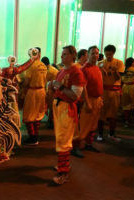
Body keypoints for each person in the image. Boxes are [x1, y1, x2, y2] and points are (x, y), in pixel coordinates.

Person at [49, 45, 86, 185]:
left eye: (65, 54)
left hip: (67, 109)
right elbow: (58, 89)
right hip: (59, 107)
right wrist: (53, 87)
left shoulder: (76, 72)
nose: (62, 56)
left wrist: (60, 87)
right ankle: (63, 165)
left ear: (72, 55)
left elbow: (75, 96)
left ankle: (63, 173)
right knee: (60, 139)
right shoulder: (63, 70)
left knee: (64, 141)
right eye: (62, 54)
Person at [71, 46, 103, 158]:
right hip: (88, 100)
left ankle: (89, 143)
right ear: (87, 55)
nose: (95, 55)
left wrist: (100, 98)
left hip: (97, 99)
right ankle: (75, 147)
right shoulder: (84, 69)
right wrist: (87, 102)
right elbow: (83, 87)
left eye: (97, 53)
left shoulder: (97, 67)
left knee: (93, 124)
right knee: (83, 125)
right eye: (93, 53)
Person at [97, 45, 125, 141]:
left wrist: (114, 71)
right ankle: (100, 134)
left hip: (114, 91)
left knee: (113, 113)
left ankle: (111, 134)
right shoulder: (100, 63)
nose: (108, 56)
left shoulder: (119, 63)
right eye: (106, 54)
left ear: (113, 53)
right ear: (104, 53)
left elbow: (118, 78)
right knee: (101, 113)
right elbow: (98, 78)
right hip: (104, 90)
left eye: (110, 54)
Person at [22, 47, 48, 145]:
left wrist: (22, 89)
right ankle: (35, 136)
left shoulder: (31, 66)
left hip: (32, 92)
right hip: (42, 91)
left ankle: (32, 137)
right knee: (38, 114)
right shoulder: (43, 66)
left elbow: (27, 81)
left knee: (29, 115)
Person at [1, 55, 35, 127]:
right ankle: (14, 122)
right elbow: (23, 67)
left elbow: (23, 67)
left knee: (9, 105)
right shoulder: (15, 70)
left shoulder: (5, 70)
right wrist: (31, 60)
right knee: (13, 105)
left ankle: (8, 122)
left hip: (8, 90)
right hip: (12, 90)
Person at [121, 57, 134, 126]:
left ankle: (126, 120)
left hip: (124, 87)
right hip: (133, 87)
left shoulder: (124, 69)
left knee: (126, 104)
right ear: (133, 62)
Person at [42, 56, 59, 129]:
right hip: (56, 89)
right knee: (52, 106)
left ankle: (51, 122)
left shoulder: (48, 70)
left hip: (52, 90)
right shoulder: (53, 69)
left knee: (51, 106)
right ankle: (51, 121)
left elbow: (44, 81)